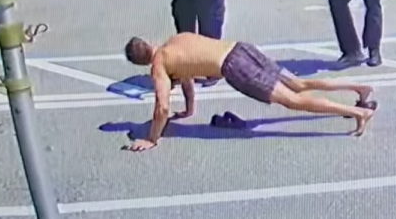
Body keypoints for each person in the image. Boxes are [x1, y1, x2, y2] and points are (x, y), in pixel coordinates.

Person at [122, 33, 376, 151]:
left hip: (235, 67)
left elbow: (162, 108)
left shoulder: (159, 66)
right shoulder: (176, 40)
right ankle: (359, 88)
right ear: (148, 43)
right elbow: (186, 78)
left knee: (293, 100)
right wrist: (190, 110)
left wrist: (152, 138)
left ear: (141, 62)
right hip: (241, 48)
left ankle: (357, 112)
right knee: (299, 84)